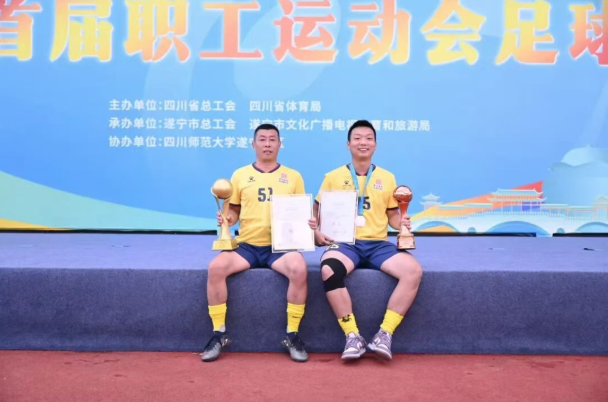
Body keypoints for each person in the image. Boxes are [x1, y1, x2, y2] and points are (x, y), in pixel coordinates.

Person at [202, 123, 316, 363]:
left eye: (272, 139)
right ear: (253, 144)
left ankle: (292, 334)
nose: (267, 144)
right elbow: (233, 210)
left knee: (298, 267)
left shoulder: (293, 176)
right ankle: (218, 334)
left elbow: (299, 211)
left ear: (280, 144)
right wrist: (227, 219)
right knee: (216, 267)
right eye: (262, 139)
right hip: (247, 247)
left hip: (280, 247)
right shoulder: (240, 175)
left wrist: (308, 224)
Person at [313, 120, 423, 361]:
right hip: (345, 243)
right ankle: (352, 335)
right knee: (329, 270)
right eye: (357, 138)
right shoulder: (333, 177)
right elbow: (317, 210)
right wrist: (317, 232)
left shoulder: (387, 177)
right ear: (348, 144)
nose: (363, 142)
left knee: (413, 271)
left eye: (368, 138)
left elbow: (392, 215)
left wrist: (402, 223)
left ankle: (385, 334)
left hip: (377, 245)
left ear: (375, 144)